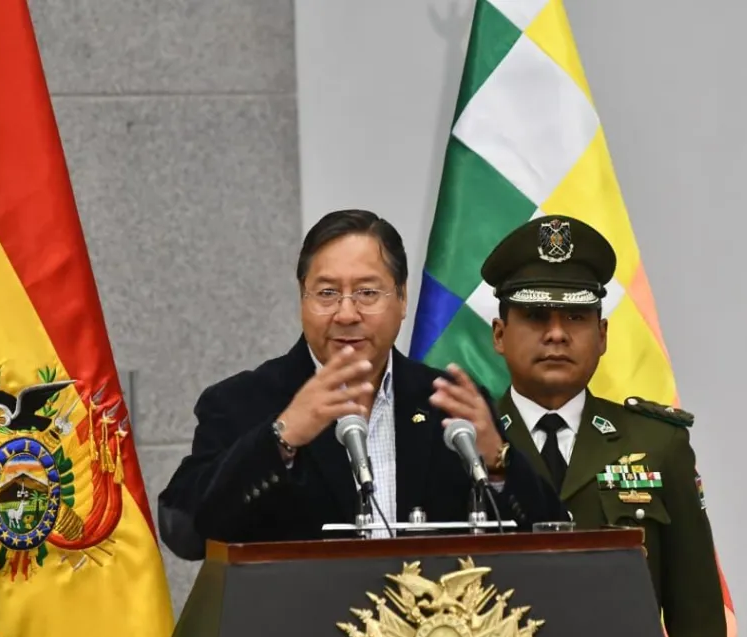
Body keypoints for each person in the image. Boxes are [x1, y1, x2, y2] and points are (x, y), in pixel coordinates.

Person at [157, 209, 565, 560]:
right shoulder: (241, 402)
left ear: (402, 300)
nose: (346, 313)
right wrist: (280, 437)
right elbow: (184, 533)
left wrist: (498, 462)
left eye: (368, 292)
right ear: (303, 298)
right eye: (327, 293)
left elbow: (554, 540)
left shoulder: (449, 401)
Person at [482, 215, 728, 637]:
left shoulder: (658, 444)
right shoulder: (461, 446)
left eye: (575, 316)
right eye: (536, 315)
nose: (556, 333)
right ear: (499, 335)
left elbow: (697, 619)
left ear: (602, 335)